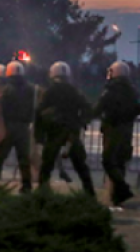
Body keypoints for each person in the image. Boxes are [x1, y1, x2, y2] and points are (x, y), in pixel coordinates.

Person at [35, 61, 95, 195]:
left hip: (54, 132)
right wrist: (81, 122)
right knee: (81, 165)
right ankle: (90, 193)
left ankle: (42, 193)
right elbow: (88, 109)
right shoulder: (74, 91)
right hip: (71, 134)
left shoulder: (49, 92)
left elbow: (39, 113)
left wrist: (39, 137)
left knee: (47, 166)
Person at [93, 61, 140, 206]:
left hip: (112, 130)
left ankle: (123, 189)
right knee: (120, 162)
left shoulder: (110, 91)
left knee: (108, 161)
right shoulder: (132, 92)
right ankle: (117, 196)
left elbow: (97, 109)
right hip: (127, 131)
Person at [0, 61, 35, 193]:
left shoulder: (5, 89)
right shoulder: (30, 88)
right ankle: (26, 185)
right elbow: (32, 108)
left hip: (8, 126)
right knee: (23, 158)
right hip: (24, 127)